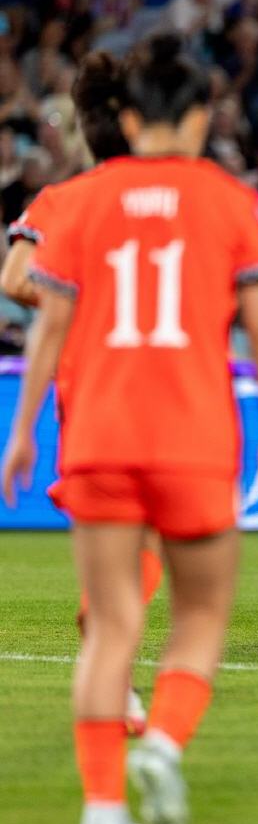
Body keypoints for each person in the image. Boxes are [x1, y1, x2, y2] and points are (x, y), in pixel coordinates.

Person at [1, 34, 258, 824]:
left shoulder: (79, 199)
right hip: (194, 434)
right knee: (200, 612)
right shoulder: (232, 200)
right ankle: (160, 744)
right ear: (198, 117)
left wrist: (22, 433)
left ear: (126, 117)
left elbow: (47, 322)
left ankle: (101, 811)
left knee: (111, 625)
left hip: (96, 434)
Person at [1, 50, 162, 736]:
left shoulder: (59, 199)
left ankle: (116, 677)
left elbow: (14, 279)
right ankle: (115, 656)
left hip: (87, 389)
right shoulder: (174, 203)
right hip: (159, 385)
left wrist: (80, 305)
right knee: (153, 538)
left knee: (111, 539)